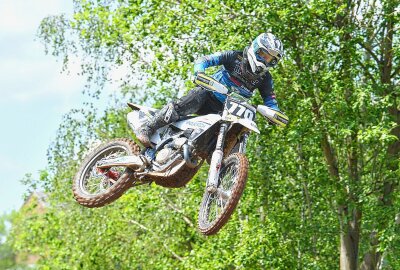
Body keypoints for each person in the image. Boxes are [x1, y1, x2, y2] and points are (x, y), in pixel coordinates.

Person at [137, 32, 285, 147]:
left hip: (227, 111)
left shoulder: (266, 79)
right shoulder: (234, 57)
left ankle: (227, 165)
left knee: (240, 130)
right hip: (208, 96)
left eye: (270, 59)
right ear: (255, 48)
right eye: (264, 54)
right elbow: (206, 60)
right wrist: (199, 72)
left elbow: (270, 100)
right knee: (197, 93)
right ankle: (148, 127)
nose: (265, 60)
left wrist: (274, 114)